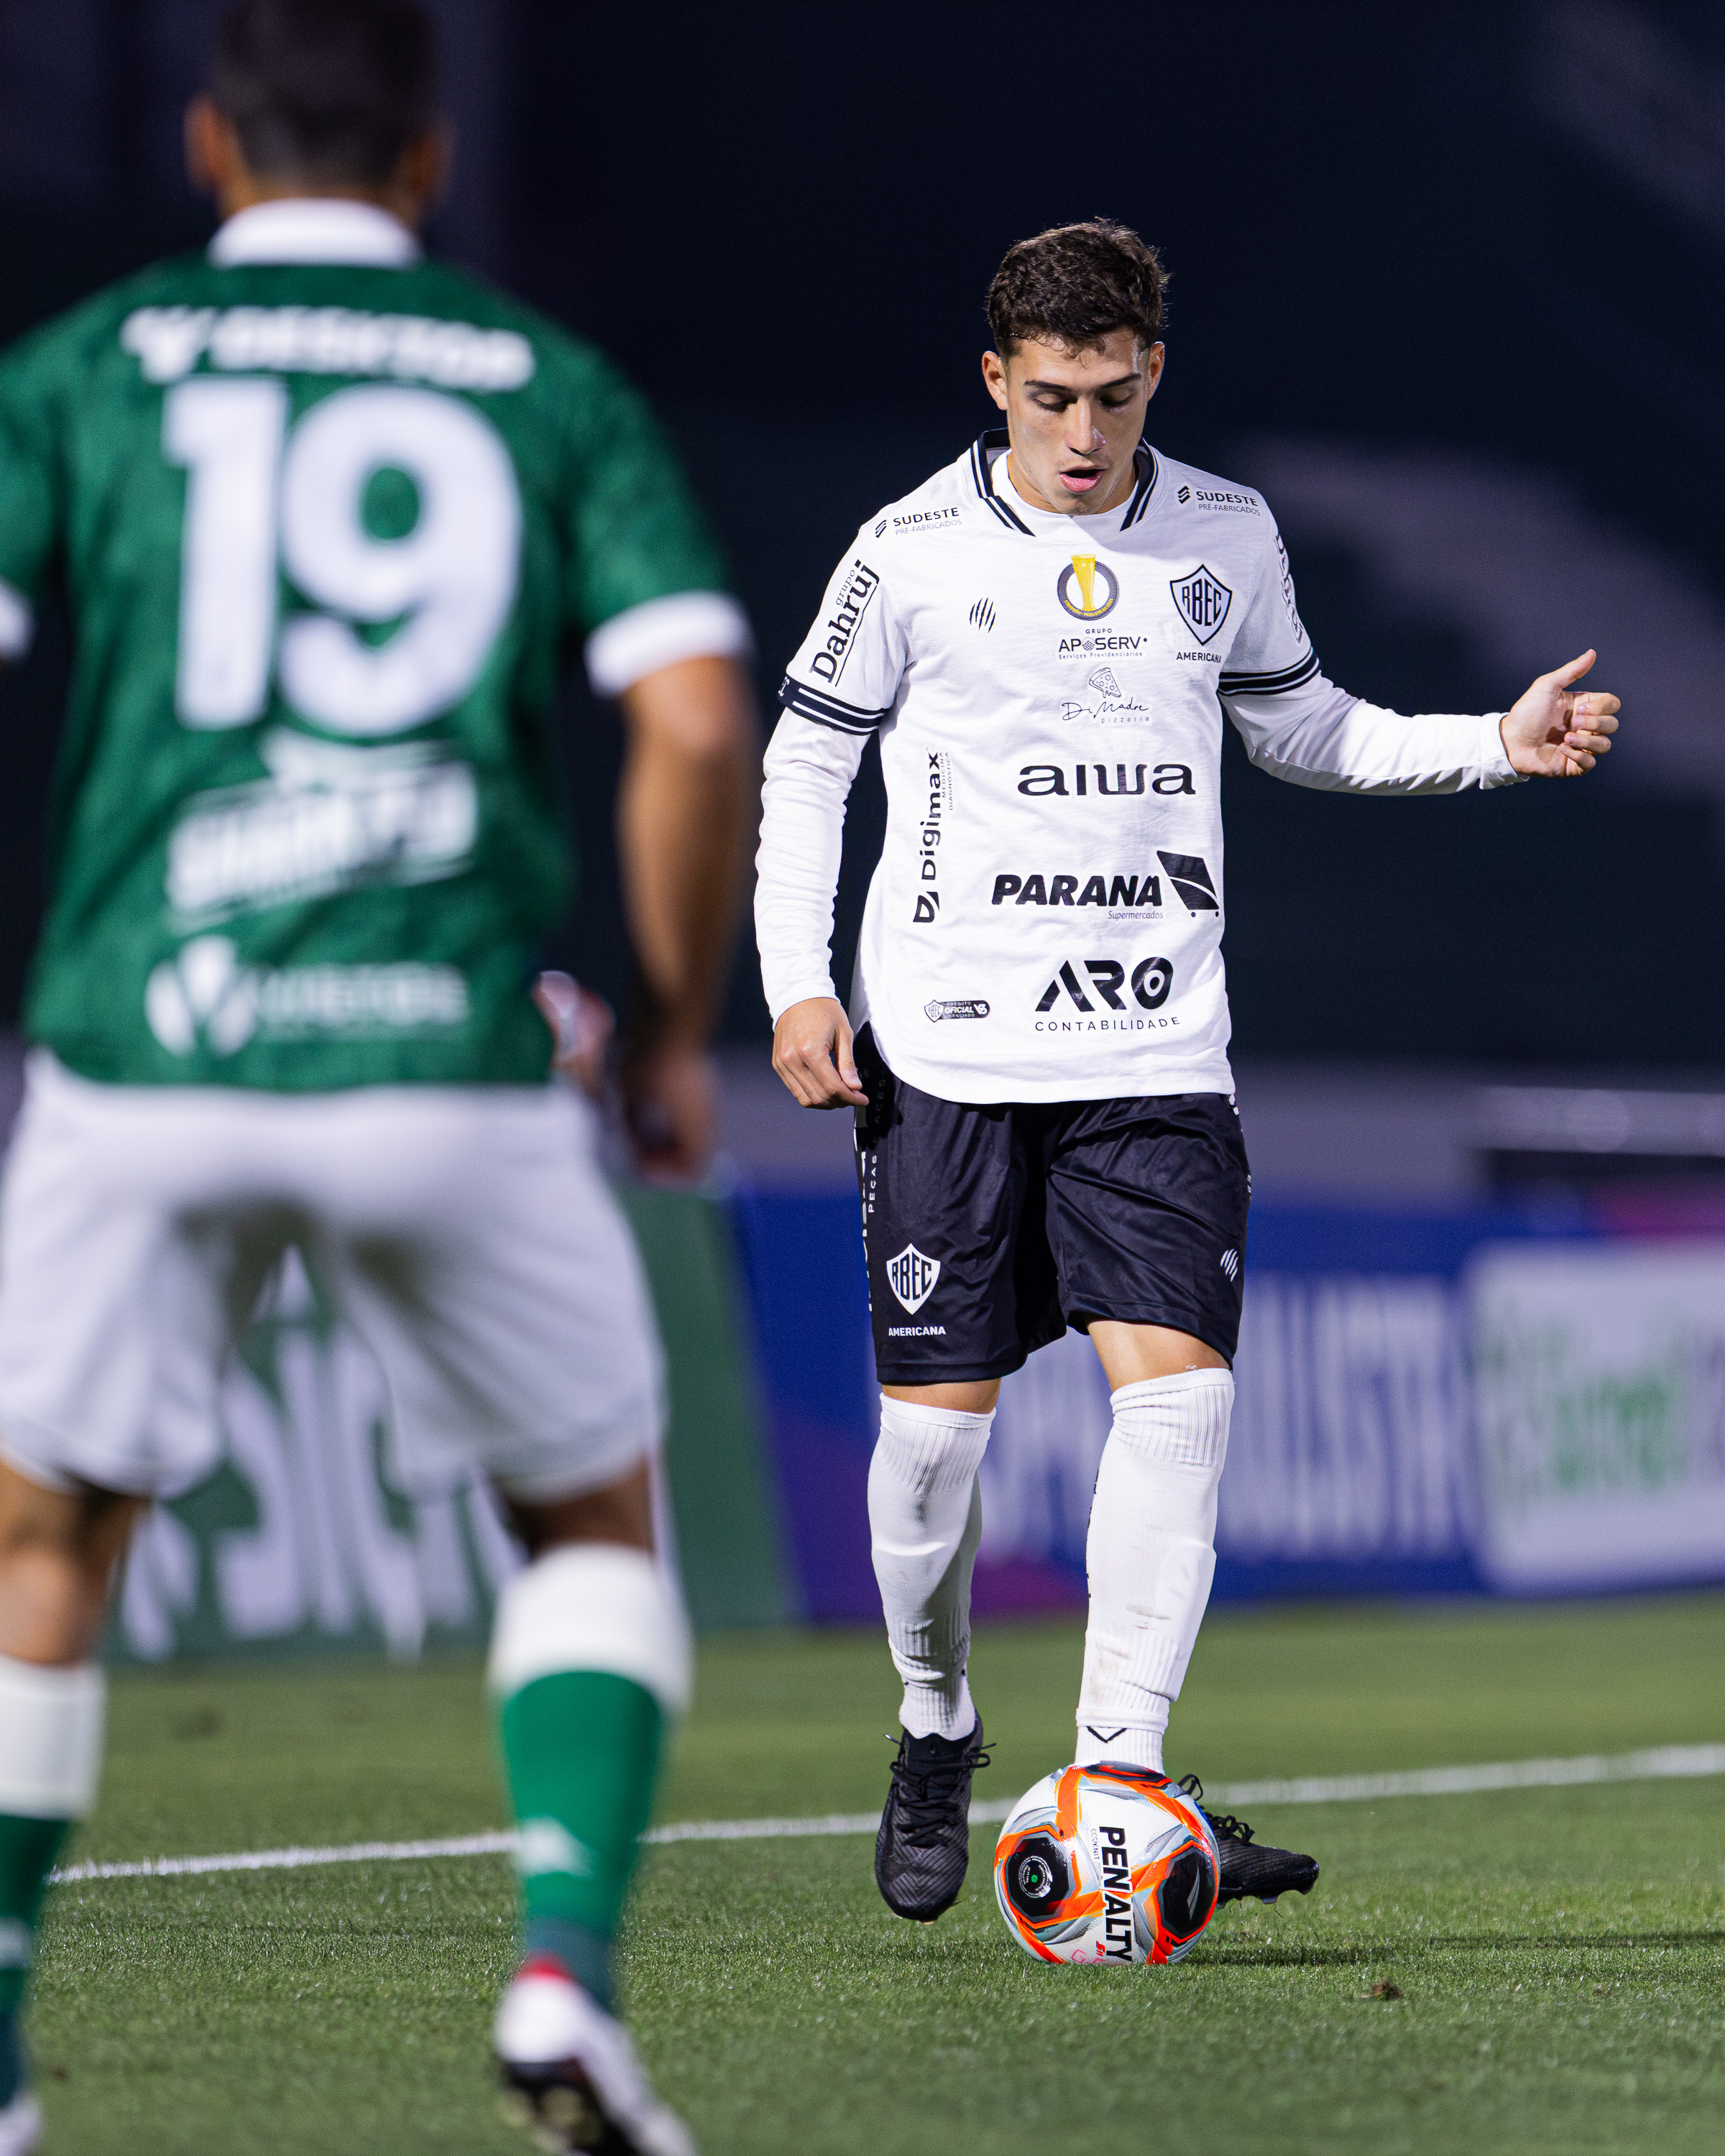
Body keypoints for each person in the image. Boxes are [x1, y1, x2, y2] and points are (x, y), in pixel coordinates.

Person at [0, 4, 756, 2152]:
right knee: (589, 1518)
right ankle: (558, 1985)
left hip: (147, 1044)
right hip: (450, 1048)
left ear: (209, 141)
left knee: (43, 1547)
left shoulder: (85, 369)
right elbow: (697, 724)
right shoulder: (548, 387)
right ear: (431, 161)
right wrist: (672, 1032)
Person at [756, 218, 1620, 1927]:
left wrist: (1493, 746)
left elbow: (1305, 724)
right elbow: (804, 767)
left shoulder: (1228, 533)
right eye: (1056, 396)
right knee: (933, 1454)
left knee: (1184, 1402)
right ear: (996, 381)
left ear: (1158, 374)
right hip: (945, 1054)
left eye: (1120, 394)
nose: (1088, 433)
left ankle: (1123, 1768)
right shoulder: (908, 550)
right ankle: (936, 1725)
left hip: (1154, 1049)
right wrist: (798, 984)